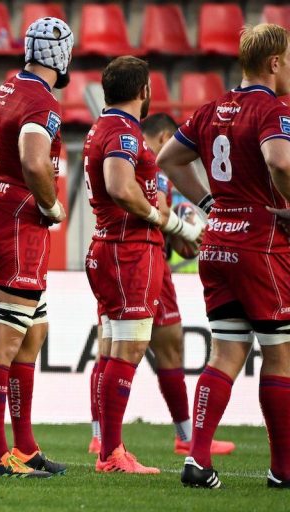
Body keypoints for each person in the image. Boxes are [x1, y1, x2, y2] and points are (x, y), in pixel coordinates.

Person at [156, 23, 290, 489]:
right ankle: (283, 471)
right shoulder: (273, 109)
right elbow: (280, 162)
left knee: (228, 349)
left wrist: (211, 204)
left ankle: (197, 459)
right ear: (275, 62)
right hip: (262, 242)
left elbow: (168, 160)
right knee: (280, 352)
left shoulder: (213, 108)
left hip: (218, 241)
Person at [87, 113, 231, 457]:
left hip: (108, 252)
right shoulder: (147, 163)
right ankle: (184, 436)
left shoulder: (109, 144)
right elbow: (161, 211)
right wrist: (186, 233)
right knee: (167, 345)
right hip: (141, 259)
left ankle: (100, 436)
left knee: (108, 345)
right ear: (166, 135)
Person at [0, 17, 71, 478]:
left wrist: (2, 184)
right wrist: (48, 204)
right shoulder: (41, 102)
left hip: (2, 215)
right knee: (4, 339)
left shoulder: (6, 90)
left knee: (32, 333)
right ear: (63, 56)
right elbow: (32, 159)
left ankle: (24, 448)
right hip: (18, 224)